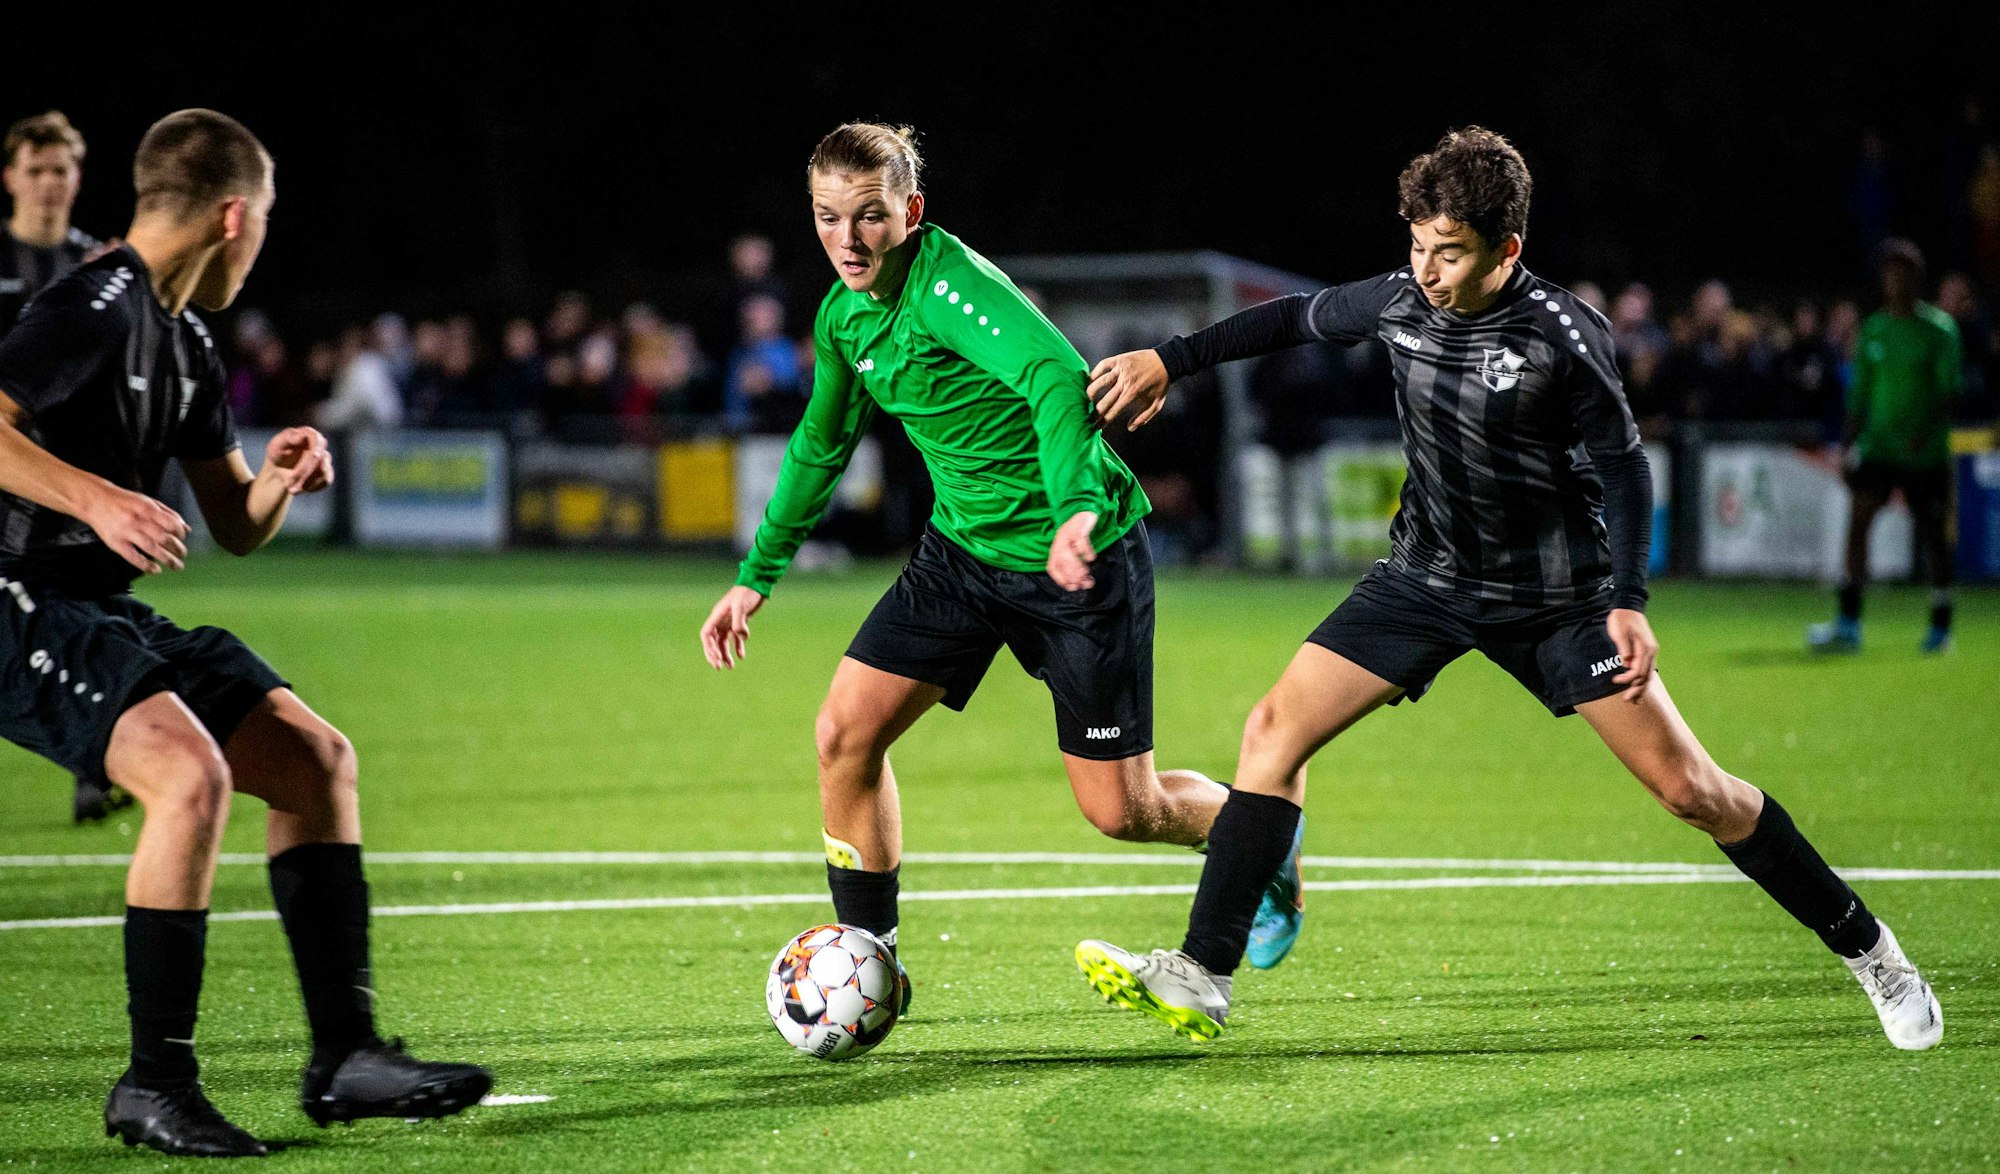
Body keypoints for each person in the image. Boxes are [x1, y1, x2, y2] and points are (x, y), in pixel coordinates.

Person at [1077, 127, 1941, 1053]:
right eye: (1417, 246)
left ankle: (1872, 950)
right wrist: (1170, 359)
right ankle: (1205, 972)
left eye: (1449, 252)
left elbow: (1622, 461)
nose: (1428, 271)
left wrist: (1628, 598)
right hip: (1425, 578)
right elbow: (1287, 317)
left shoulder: (1562, 335)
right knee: (1270, 733)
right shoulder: (1401, 300)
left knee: (1692, 790)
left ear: (1507, 248)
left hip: (1560, 600)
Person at [697, 123, 1306, 1011]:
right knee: (844, 734)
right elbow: (821, 442)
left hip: (1078, 558)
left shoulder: (951, 289)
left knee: (1120, 810)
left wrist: (1074, 513)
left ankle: (1256, 839)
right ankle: (874, 962)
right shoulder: (843, 316)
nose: (849, 239)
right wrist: (757, 576)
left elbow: (1059, 379)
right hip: (960, 558)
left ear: (909, 211)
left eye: (870, 217)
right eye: (829, 218)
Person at [0, 109, 489, 1158]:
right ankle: (155, 1084)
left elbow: (234, 525)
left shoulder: (185, 341)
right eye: (264, 221)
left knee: (315, 759)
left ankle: (345, 1057)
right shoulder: (90, 302)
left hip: (97, 606)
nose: (263, 240)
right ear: (234, 216)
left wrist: (275, 479)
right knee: (191, 775)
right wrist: (95, 500)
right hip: (14, 596)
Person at [1, 110, 139, 824]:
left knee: (83, 618)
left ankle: (97, 764)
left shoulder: (102, 270)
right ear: (11, 178)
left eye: (61, 170)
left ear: (78, 178)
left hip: (64, 484)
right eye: (37, 170)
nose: (50, 184)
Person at [1808, 239, 1961, 655]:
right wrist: (1848, 445)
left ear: (1917, 280)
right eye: (1890, 273)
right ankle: (1849, 623)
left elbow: (1948, 393)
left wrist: (1925, 431)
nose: (1897, 281)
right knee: (1858, 525)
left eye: (1904, 273)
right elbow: (1859, 396)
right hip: (1879, 449)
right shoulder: (1875, 328)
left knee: (1933, 534)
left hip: (1924, 452)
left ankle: (1941, 624)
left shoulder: (1939, 330)